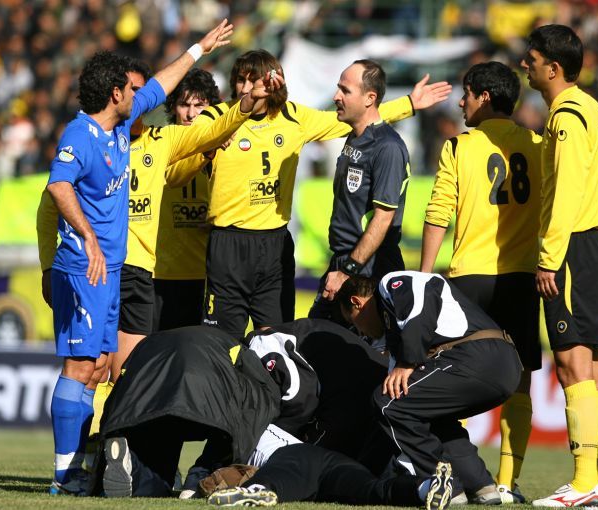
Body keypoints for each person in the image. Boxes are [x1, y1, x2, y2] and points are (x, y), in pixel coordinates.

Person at [44, 20, 235, 495]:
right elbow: (58, 186)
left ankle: (86, 464)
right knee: (80, 365)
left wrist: (199, 48)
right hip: (84, 267)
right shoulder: (81, 134)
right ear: (115, 94)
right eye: (131, 91)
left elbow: (161, 85)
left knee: (102, 366)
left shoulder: (122, 128)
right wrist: (87, 237)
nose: (140, 96)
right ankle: (64, 475)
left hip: (111, 269)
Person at [193, 49, 452, 338]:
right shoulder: (216, 120)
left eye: (254, 81)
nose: (246, 88)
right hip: (230, 242)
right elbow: (181, 159)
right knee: (224, 341)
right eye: (240, 80)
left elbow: (359, 117)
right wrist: (214, 140)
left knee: (280, 340)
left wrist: (408, 104)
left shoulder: (293, 116)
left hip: (282, 246)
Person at [420, 61, 542, 504]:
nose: (461, 102)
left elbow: (439, 211)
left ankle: (458, 476)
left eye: (467, 94)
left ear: (484, 97)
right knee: (521, 380)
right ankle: (508, 481)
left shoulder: (459, 145)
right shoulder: (538, 145)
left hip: (469, 278)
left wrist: (424, 275)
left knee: (451, 375)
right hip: (521, 275)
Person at [520, 24, 598, 507]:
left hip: (573, 249)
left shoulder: (564, 116)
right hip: (596, 245)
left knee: (571, 366)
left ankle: (582, 484)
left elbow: (565, 193)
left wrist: (549, 258)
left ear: (553, 68)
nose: (526, 65)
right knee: (595, 369)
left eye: (532, 59)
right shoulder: (592, 109)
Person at [336, 272, 522, 505]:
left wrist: (408, 362)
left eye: (354, 321)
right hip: (496, 364)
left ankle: (446, 486)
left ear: (357, 302)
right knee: (423, 412)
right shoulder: (394, 330)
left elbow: (424, 299)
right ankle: (480, 485)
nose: (361, 332)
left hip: (477, 357)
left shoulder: (391, 283)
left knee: (387, 404)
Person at [96, 325, 282, 498]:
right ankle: (198, 482)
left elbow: (119, 393)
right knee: (231, 425)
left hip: (150, 372)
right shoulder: (251, 360)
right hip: (201, 381)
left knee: (155, 465)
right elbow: (255, 410)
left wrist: (110, 433)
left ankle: (132, 466)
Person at [308, 59, 410, 324]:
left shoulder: (387, 147)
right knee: (314, 337)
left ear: (369, 98)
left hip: (368, 269)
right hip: (345, 262)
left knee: (366, 346)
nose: (336, 96)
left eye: (345, 90)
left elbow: (383, 219)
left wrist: (348, 271)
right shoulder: (354, 136)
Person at [152, 69, 222, 330]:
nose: (192, 114)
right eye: (184, 105)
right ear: (173, 107)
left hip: (207, 275)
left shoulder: (224, 146)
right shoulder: (159, 143)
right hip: (161, 273)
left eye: (200, 105)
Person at [207, 443, 454, 510]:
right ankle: (425, 487)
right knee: (371, 490)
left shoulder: (243, 434)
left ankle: (255, 490)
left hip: (291, 456)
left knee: (275, 481)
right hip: (334, 460)